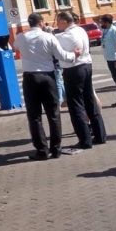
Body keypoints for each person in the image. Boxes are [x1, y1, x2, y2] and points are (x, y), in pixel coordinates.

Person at [14, 12, 82, 161]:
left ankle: (42, 150)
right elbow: (61, 55)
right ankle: (56, 149)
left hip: (30, 77)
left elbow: (15, 47)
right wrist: (74, 55)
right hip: (47, 77)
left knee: (34, 116)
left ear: (29, 23)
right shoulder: (49, 37)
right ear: (41, 23)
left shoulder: (21, 37)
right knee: (53, 114)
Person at [55, 11, 107, 149]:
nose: (57, 25)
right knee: (90, 101)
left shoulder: (64, 36)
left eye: (58, 22)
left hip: (73, 70)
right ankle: (100, 135)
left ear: (65, 22)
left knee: (76, 105)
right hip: (86, 66)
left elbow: (55, 49)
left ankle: (85, 139)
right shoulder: (81, 30)